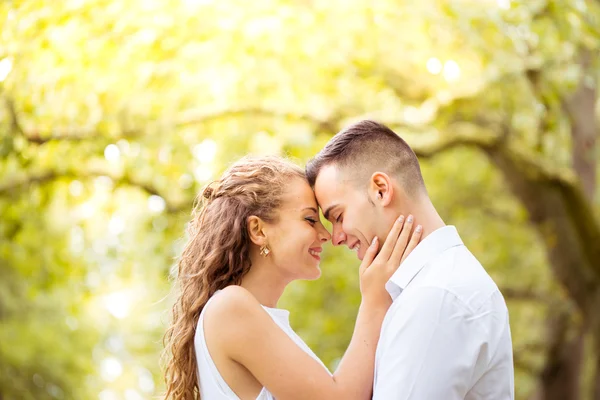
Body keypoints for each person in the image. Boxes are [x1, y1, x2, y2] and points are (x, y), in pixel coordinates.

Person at [163, 155, 422, 400]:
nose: (327, 235)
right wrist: (375, 299)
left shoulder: (251, 314)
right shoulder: (231, 307)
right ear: (258, 230)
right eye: (310, 219)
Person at [306, 120, 515, 399]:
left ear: (380, 189)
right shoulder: (430, 286)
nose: (336, 237)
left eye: (339, 217)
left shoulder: (436, 296)